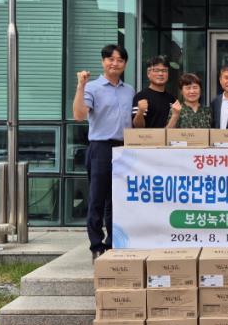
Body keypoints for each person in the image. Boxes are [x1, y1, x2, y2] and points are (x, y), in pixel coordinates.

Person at [72, 44, 134, 262]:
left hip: (124, 148)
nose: (115, 63)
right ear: (103, 62)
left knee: (117, 199)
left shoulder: (129, 90)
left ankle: (113, 242)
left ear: (125, 63)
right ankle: (96, 244)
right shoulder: (92, 87)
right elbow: (79, 115)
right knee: (97, 198)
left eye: (119, 60)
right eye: (110, 59)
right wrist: (81, 86)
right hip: (101, 147)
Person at [132, 56, 175, 128]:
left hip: (167, 135)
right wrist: (140, 111)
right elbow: (138, 126)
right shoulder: (140, 97)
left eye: (164, 70)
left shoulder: (171, 99)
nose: (160, 74)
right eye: (156, 70)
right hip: (146, 135)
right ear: (148, 73)